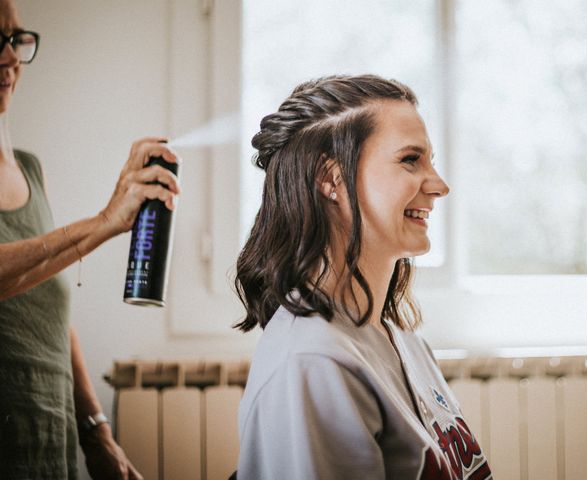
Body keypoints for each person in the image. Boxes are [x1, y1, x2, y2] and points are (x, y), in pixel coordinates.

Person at [234, 75, 492, 479]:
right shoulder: (312, 364)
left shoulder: (399, 335)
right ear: (331, 179)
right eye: (410, 159)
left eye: (431, 160)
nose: (440, 185)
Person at [0, 1, 180, 478]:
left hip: (51, 443)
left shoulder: (29, 170)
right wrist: (105, 221)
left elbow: (50, 305)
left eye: (16, 39)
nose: (11, 59)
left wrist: (97, 433)